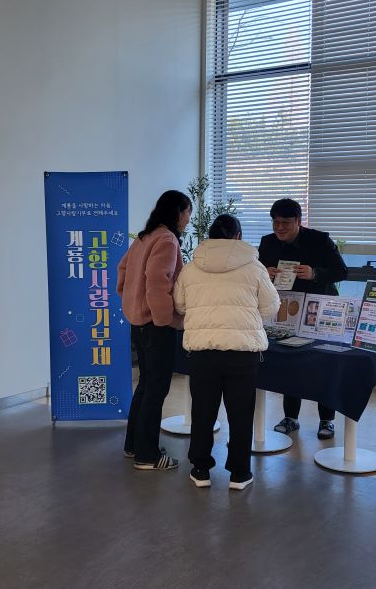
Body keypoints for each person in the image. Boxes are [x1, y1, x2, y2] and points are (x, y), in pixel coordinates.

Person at [173, 214, 279, 490]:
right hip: (242, 352)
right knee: (241, 413)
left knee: (203, 412)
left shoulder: (191, 269)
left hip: (202, 351)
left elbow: (180, 306)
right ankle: (239, 473)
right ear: (238, 236)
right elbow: (270, 308)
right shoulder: (255, 268)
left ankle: (200, 470)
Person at [258, 198, 348, 440]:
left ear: (299, 220)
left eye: (285, 223)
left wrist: (314, 273)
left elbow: (342, 271)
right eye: (276, 222)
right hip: (286, 312)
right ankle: (290, 417)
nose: (279, 228)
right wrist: (264, 273)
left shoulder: (319, 240)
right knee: (291, 363)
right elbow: (255, 274)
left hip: (320, 311)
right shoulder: (268, 242)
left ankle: (327, 420)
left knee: (324, 363)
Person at [117, 190, 192, 471]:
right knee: (156, 389)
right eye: (187, 213)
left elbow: (122, 273)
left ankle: (133, 445)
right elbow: (158, 283)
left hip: (138, 322)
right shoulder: (167, 240)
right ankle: (148, 455)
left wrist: (131, 303)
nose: (188, 219)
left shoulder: (144, 237)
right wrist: (164, 320)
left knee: (146, 385)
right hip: (156, 325)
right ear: (177, 212)